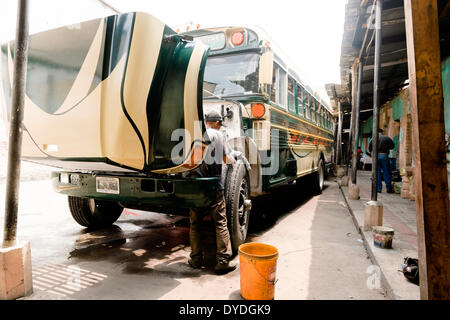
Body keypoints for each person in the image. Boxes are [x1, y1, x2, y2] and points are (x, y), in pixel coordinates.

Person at [188, 111, 237, 275]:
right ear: (216, 123)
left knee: (195, 224)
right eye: (220, 123)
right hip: (214, 186)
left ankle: (195, 260)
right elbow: (227, 159)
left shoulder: (194, 133)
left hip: (195, 186)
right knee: (220, 223)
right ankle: (222, 261)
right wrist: (234, 158)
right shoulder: (218, 135)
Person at [368, 129, 395, 193]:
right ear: (382, 132)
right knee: (386, 172)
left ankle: (378, 189)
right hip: (384, 155)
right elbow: (392, 146)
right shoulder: (387, 138)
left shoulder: (373, 138)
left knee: (377, 172)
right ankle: (388, 189)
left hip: (376, 157)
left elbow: (369, 149)